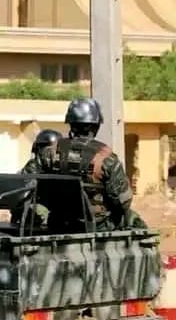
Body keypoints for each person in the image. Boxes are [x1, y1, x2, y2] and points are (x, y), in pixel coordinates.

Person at [22, 97, 147, 231]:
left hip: (58, 223)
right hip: (97, 226)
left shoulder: (48, 153)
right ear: (96, 126)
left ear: (71, 123)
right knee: (133, 220)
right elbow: (123, 201)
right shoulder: (107, 159)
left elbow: (24, 182)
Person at [11, 129, 63, 227]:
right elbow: (24, 196)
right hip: (29, 209)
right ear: (41, 150)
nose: (56, 155)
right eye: (52, 151)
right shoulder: (32, 167)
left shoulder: (54, 168)